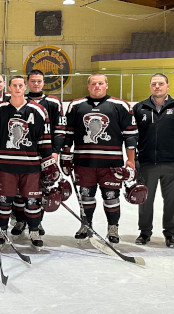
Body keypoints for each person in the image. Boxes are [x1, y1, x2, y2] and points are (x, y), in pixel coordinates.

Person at [0, 76, 57, 247]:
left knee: (32, 201)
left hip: (31, 166)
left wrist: (48, 164)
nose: (17, 88)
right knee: (4, 201)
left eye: (20, 85)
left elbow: (44, 140)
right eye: (14, 85)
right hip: (5, 166)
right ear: (9, 87)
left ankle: (34, 231)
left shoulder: (38, 110)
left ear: (25, 87)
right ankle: (2, 230)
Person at [61, 73, 138, 244]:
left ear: (106, 85)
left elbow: (130, 136)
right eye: (94, 83)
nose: (97, 86)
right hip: (84, 162)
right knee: (86, 196)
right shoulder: (76, 105)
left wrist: (130, 161)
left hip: (111, 165)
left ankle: (113, 228)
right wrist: (66, 155)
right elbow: (68, 134)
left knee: (111, 196)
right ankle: (86, 225)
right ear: (88, 86)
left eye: (100, 83)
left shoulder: (121, 106)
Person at [133, 73, 174, 248]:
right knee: (145, 200)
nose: (157, 86)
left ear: (167, 86)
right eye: (154, 84)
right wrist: (136, 159)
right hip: (146, 164)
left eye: (161, 83)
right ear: (150, 86)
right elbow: (131, 137)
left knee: (171, 201)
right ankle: (144, 232)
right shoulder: (140, 108)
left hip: (173, 165)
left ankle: (170, 234)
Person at [10, 70, 64, 237]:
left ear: (43, 82)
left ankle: (37, 221)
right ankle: (20, 220)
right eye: (33, 81)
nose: (36, 84)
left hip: (44, 155)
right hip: (23, 156)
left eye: (39, 81)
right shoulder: (17, 101)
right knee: (19, 191)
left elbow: (60, 130)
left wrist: (55, 152)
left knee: (38, 191)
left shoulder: (53, 103)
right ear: (28, 83)